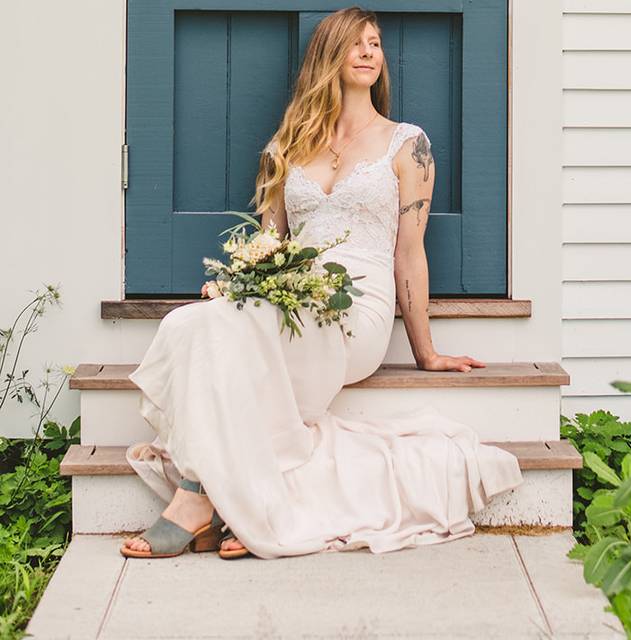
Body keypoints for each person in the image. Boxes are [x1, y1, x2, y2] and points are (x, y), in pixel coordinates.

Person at [119, 6, 523, 560]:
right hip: (288, 301)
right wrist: (240, 286)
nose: (368, 52)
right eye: (355, 43)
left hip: (357, 311)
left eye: (375, 44)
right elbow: (270, 245)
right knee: (192, 323)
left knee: (237, 333)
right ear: (327, 56)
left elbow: (409, 254)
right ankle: (225, 501)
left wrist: (426, 352)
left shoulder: (408, 146)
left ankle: (195, 497)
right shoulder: (289, 145)